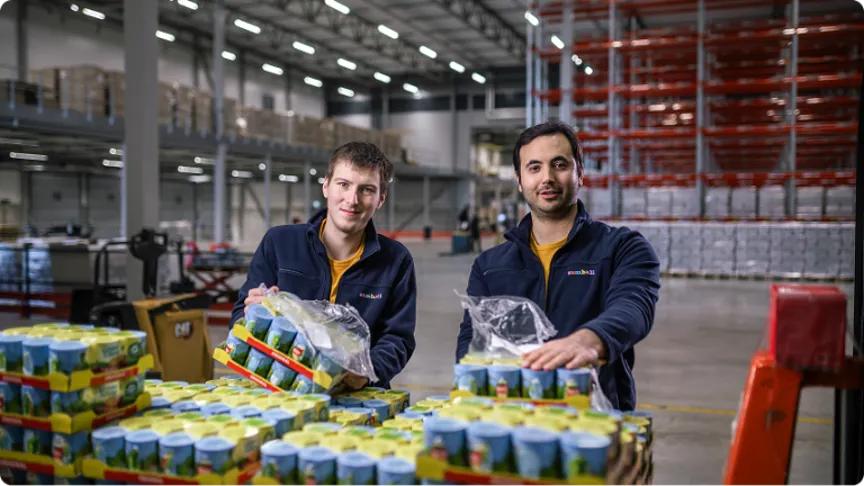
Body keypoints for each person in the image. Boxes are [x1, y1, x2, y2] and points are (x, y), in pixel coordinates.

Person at [455, 121, 661, 411]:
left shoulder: (622, 248)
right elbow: (471, 341)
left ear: (580, 172)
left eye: (560, 165)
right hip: (510, 414)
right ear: (519, 179)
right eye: (534, 167)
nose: (547, 178)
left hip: (594, 416)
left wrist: (588, 341)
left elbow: (633, 308)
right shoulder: (489, 265)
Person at [232, 141, 417, 390]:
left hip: (357, 397)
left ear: (380, 199)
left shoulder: (396, 261)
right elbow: (238, 320)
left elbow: (398, 339)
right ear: (326, 186)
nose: (352, 200)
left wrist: (364, 372)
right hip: (279, 390)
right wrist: (253, 315)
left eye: (367, 190)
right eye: (343, 185)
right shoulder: (280, 243)